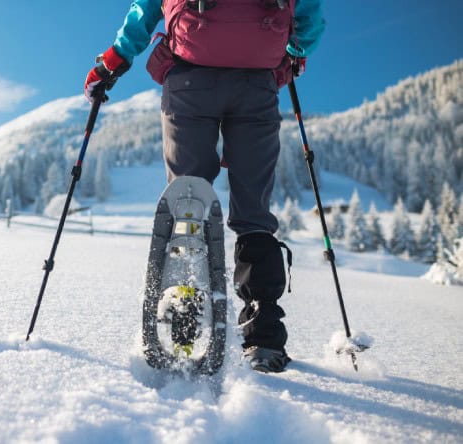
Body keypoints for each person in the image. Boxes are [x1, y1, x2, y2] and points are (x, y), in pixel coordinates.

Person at [84, 0, 325, 372]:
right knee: (254, 213)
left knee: (188, 202)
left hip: (189, 78)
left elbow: (147, 9)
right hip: (257, 80)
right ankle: (263, 336)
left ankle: (185, 317)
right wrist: (295, 50)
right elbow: (308, 16)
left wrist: (115, 58)